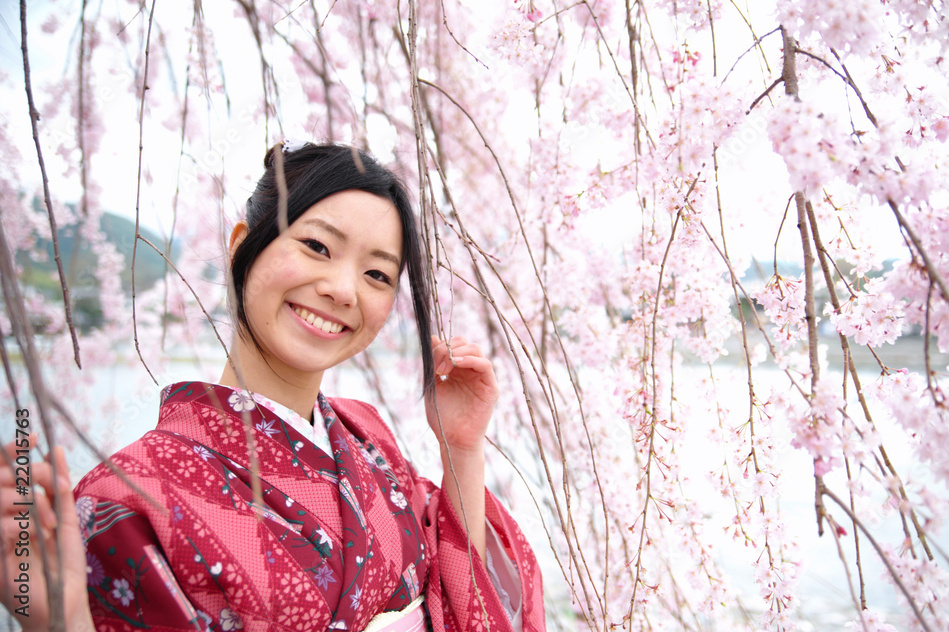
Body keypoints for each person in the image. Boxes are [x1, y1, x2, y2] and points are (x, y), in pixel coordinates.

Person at [0, 143, 544, 631]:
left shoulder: (370, 440)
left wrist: (462, 447)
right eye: (316, 246)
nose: (341, 290)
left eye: (377, 275)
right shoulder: (124, 498)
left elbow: (463, 595)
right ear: (243, 246)